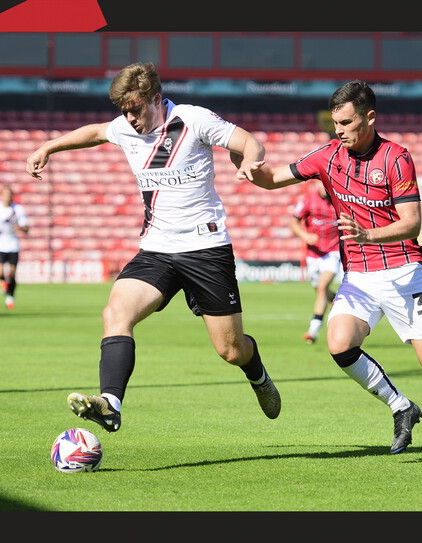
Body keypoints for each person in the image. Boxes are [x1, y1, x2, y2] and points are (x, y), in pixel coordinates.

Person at [24, 62, 281, 435]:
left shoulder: (192, 119)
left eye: (135, 110)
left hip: (205, 247)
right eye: (123, 111)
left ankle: (257, 374)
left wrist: (251, 162)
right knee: (116, 313)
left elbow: (247, 142)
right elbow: (95, 132)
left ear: (157, 99)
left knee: (231, 350)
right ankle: (110, 404)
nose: (129, 119)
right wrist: (49, 146)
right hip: (157, 249)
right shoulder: (124, 128)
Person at [239, 80, 422, 460]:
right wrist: (242, 160)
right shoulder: (328, 156)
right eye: (335, 123)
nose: (338, 130)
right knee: (339, 343)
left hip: (404, 271)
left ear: (369, 118)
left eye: (346, 122)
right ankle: (401, 406)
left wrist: (367, 234)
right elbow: (271, 179)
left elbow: (412, 223)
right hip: (359, 275)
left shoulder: (396, 158)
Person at [289, 181, 341, 344]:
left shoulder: (339, 199)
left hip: (333, 252)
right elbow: (293, 222)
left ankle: (314, 329)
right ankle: (338, 300)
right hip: (313, 254)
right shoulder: (308, 200)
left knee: (322, 287)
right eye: (321, 182)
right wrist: (305, 236)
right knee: (319, 289)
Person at [0, 185, 29, 309]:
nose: (8, 197)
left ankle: (10, 297)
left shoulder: (18, 209)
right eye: (5, 195)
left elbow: (26, 229)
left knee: (12, 274)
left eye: (10, 195)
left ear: (12, 197)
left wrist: (20, 228)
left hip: (13, 245)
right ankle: (3, 283)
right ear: (1, 196)